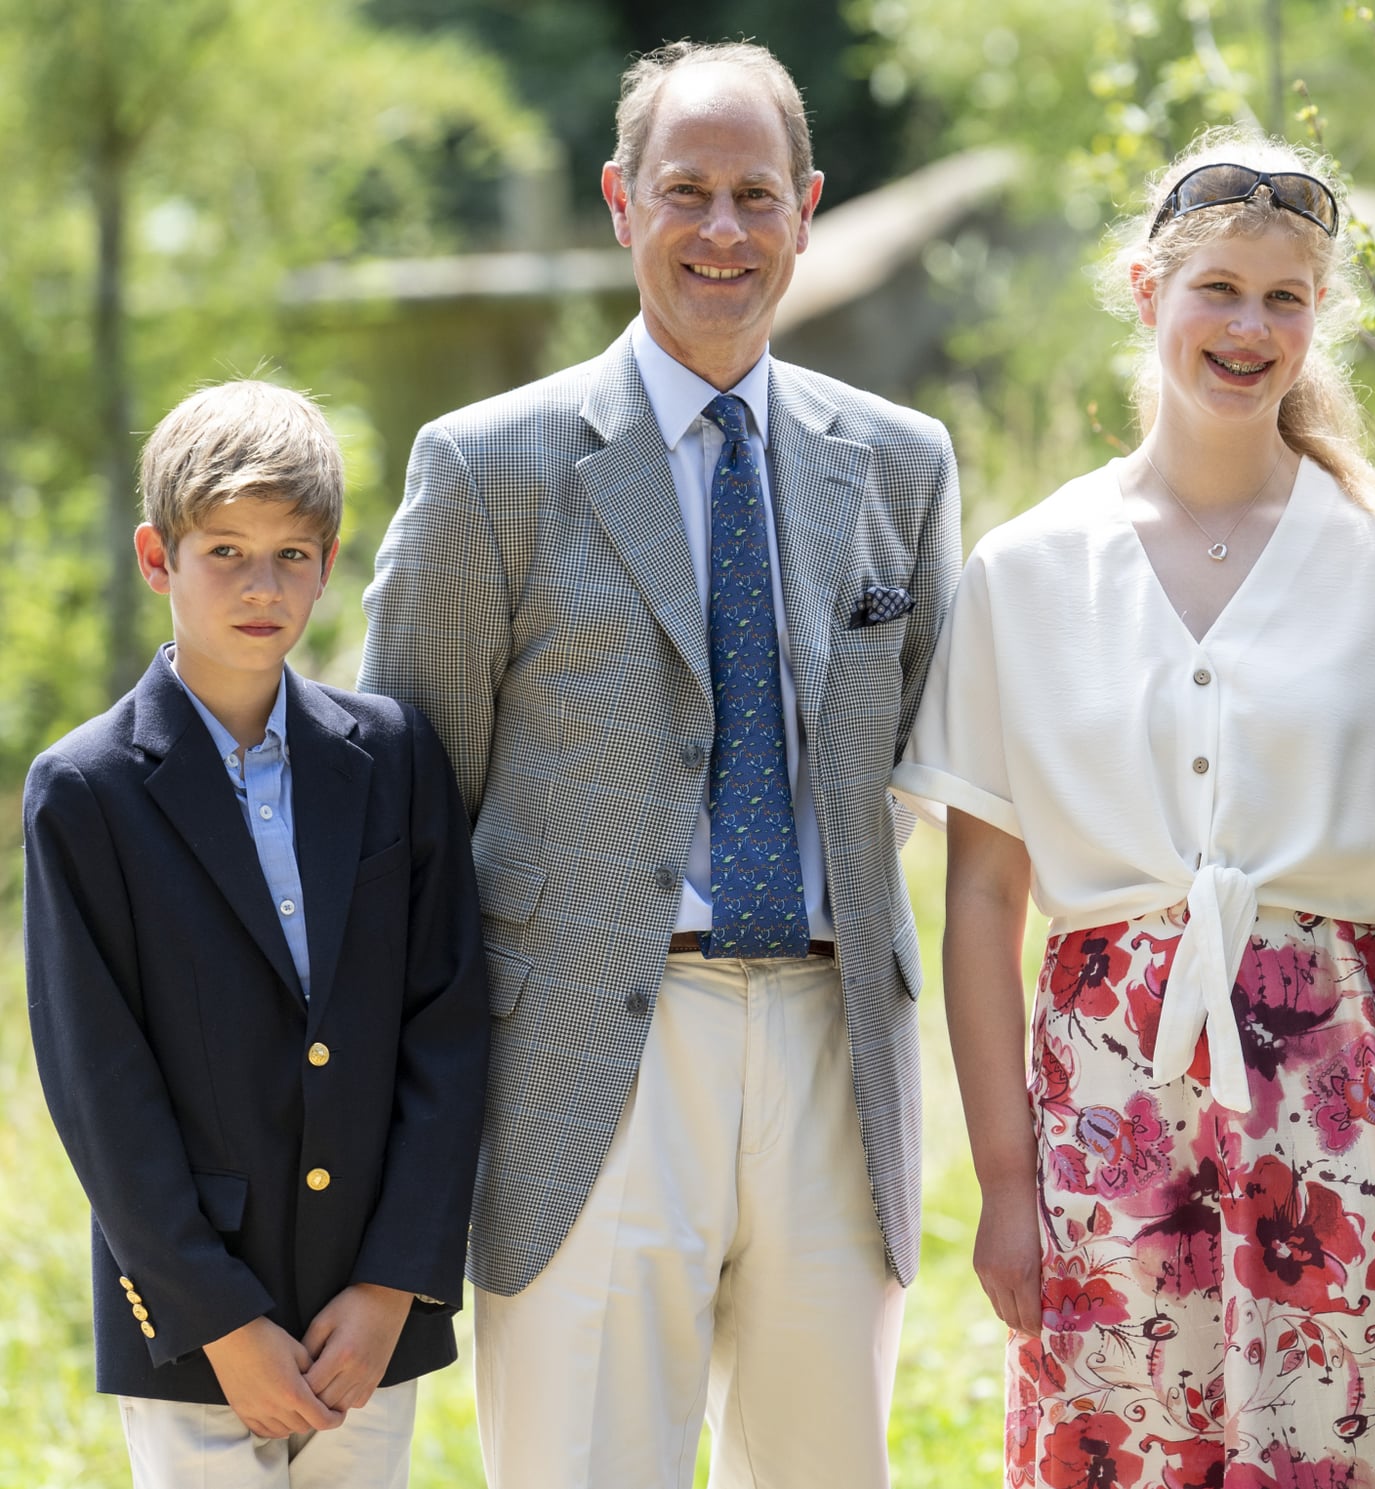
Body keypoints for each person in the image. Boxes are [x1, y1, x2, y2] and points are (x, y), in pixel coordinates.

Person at [357, 39, 960, 1489]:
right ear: (622, 202)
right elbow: (402, 815)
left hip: (834, 1053)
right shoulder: (487, 466)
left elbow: (931, 768)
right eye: (686, 191)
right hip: (583, 1069)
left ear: (808, 207)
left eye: (757, 194)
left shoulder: (901, 463)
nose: (722, 231)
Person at [895, 128, 1375, 1488]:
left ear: (1318, 319)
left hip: (1348, 1108)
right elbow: (984, 897)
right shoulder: (1027, 568)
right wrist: (1001, 1185)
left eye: (1286, 298)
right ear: (1146, 291)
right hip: (1107, 1108)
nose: (1249, 326)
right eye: (1218, 288)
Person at [22, 380, 489, 1489]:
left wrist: (390, 1288)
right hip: (194, 1323)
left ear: (329, 563)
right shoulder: (83, 791)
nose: (260, 585)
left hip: (362, 1321)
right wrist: (219, 1318)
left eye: (290, 554)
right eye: (224, 551)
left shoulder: (393, 758)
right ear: (156, 558)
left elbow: (448, 1026)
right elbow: (99, 1082)